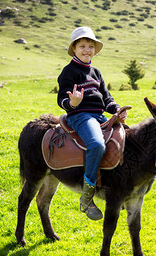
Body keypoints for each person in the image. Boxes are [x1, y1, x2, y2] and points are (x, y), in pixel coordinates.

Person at [57, 26, 127, 221]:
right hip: (80, 116)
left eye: (90, 46)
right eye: (82, 46)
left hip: (98, 116)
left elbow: (106, 97)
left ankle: (117, 188)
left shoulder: (95, 72)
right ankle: (87, 197)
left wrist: (116, 110)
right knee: (96, 145)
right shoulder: (69, 71)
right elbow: (62, 98)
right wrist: (72, 103)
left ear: (95, 49)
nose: (86, 50)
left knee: (127, 138)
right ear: (74, 48)